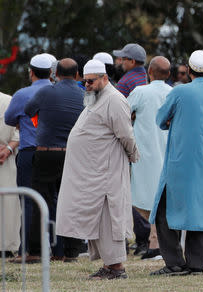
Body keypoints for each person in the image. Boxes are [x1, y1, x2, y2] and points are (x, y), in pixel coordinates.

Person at [55, 60, 139, 279]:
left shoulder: (114, 99)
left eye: (91, 81)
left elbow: (126, 134)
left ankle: (117, 268)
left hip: (106, 172)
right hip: (93, 173)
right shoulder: (95, 98)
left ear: (104, 78)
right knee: (98, 220)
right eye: (84, 82)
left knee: (110, 219)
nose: (87, 85)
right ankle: (110, 265)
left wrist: (133, 154)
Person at [148, 50, 203, 276]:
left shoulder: (180, 91)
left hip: (180, 159)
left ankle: (174, 262)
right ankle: (197, 264)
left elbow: (160, 119)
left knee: (164, 210)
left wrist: (174, 120)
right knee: (199, 210)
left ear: (188, 70)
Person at [22, 58, 85, 263]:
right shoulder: (84, 95)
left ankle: (36, 252)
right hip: (73, 155)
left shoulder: (45, 92)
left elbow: (29, 111)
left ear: (54, 74)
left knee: (40, 201)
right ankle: (70, 252)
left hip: (46, 153)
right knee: (71, 202)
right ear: (77, 75)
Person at [4, 54, 52, 262]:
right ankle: (54, 248)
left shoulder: (22, 94)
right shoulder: (57, 92)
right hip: (56, 151)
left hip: (29, 151)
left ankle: (28, 250)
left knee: (28, 201)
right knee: (52, 199)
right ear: (51, 72)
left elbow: (9, 118)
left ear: (30, 72)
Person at [128, 56, 172, 260]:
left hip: (144, 153)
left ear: (150, 72)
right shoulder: (173, 93)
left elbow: (123, 113)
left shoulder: (140, 92)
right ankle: (157, 239)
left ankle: (155, 241)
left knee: (141, 198)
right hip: (167, 152)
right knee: (158, 199)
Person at [0, 91, 20, 257]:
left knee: (8, 205)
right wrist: (8, 148)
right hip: (6, 155)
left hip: (6, 160)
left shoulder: (9, 100)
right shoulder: (10, 100)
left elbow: (19, 129)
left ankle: (7, 245)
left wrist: (8, 149)